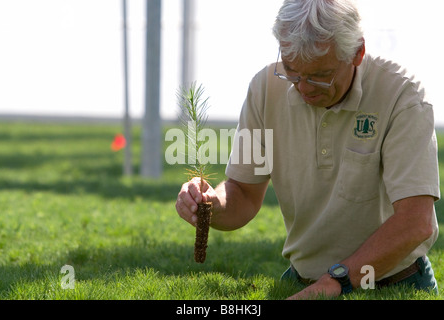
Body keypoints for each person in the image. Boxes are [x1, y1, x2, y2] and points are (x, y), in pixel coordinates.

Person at [175, 0, 440, 299]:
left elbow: (416, 223)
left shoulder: (402, 96)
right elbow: (243, 195)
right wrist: (211, 202)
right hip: (304, 283)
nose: (303, 88)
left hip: (393, 284)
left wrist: (336, 281)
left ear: (357, 53)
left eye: (320, 75)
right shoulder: (264, 89)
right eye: (291, 72)